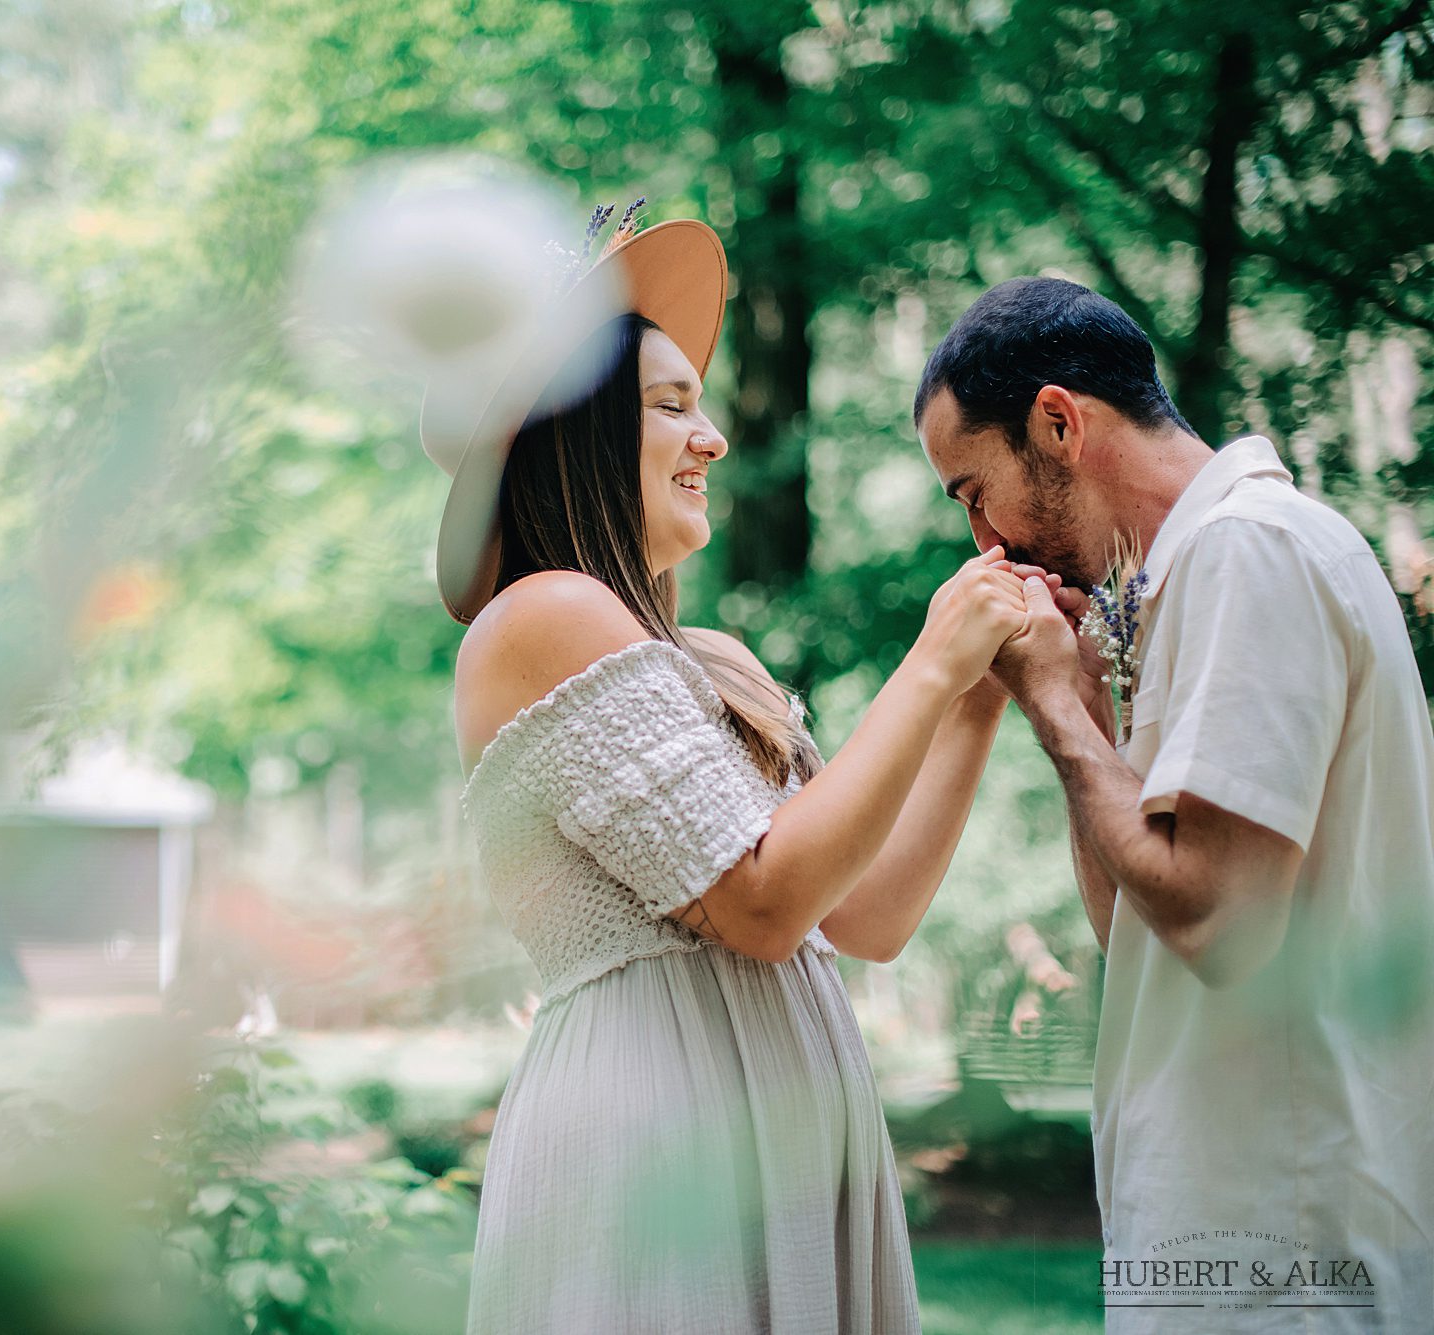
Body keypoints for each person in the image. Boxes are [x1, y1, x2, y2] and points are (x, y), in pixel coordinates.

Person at [422, 200, 1024, 1333]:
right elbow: (758, 901)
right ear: (574, 433)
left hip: (777, 1140)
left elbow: (864, 917)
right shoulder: (541, 615)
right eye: (669, 407)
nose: (713, 440)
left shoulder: (711, 660)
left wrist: (973, 702)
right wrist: (932, 663)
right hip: (656, 1138)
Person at [915, 275, 1434, 1333]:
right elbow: (1133, 925)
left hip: (1283, 1246)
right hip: (1224, 1233)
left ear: (1056, 423)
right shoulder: (1187, 579)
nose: (983, 542)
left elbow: (1215, 920)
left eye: (973, 491)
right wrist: (1090, 714)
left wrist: (1055, 703)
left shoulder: (1249, 550)